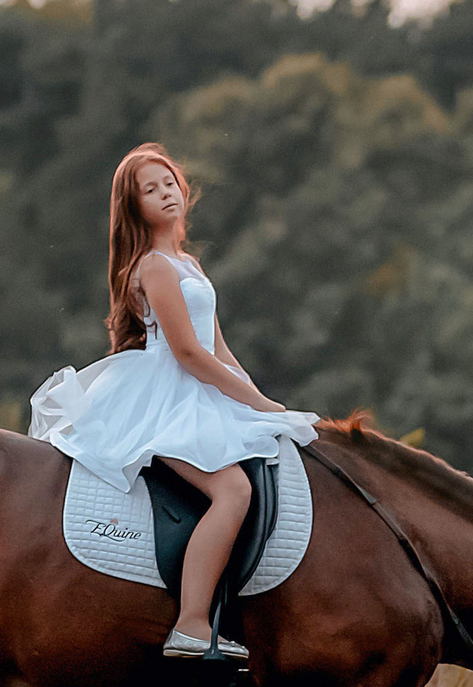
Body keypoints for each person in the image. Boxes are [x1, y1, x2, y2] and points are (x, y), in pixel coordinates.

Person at [30, 144, 319, 660]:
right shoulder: (156, 267)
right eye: (150, 189)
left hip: (201, 386)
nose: (164, 194)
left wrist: (258, 400)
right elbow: (186, 351)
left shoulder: (188, 262)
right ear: (134, 206)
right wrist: (252, 399)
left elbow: (217, 346)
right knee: (231, 492)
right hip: (165, 393)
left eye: (169, 184)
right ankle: (189, 623)